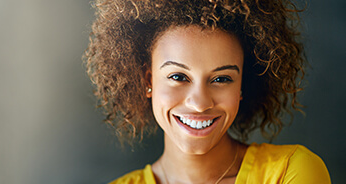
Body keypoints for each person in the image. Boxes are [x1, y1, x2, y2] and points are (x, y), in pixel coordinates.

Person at [85, 0, 331, 183]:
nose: (200, 103)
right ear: (148, 80)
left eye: (222, 79)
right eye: (178, 77)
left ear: (243, 85)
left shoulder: (291, 171)